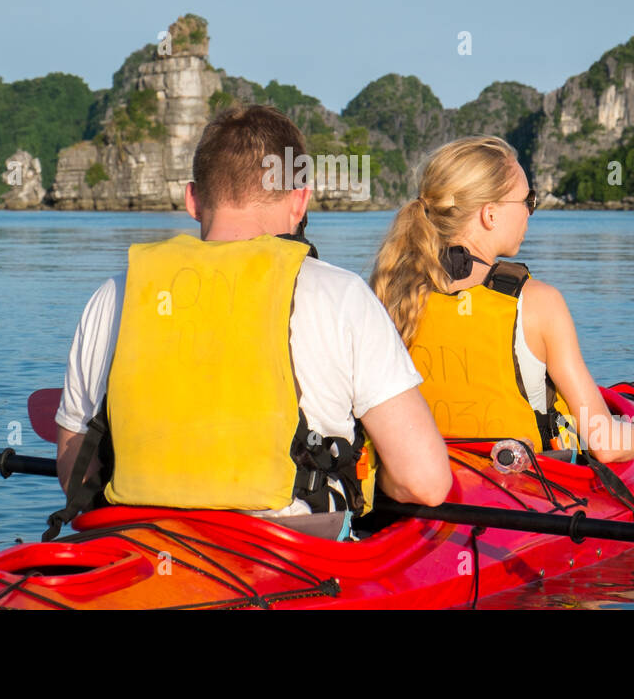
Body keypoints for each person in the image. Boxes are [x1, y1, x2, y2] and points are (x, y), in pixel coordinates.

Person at [46, 105, 451, 542]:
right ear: (300, 201)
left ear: (192, 199)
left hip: (137, 543)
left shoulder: (114, 295)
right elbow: (424, 482)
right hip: (287, 558)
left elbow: (76, 473)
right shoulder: (341, 295)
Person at [369, 136, 634, 463]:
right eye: (527, 201)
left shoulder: (392, 289)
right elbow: (606, 444)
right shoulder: (538, 302)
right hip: (525, 491)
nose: (530, 213)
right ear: (490, 214)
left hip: (429, 477)